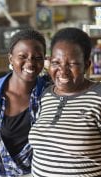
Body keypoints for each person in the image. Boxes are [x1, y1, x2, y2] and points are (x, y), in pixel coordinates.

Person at [0, 29, 48, 177]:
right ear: (10, 59)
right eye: (23, 56)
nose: (30, 63)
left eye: (37, 57)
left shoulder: (50, 92)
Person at [29, 27, 101, 177]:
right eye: (56, 62)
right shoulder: (46, 95)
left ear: (86, 65)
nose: (63, 70)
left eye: (72, 64)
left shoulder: (98, 96)